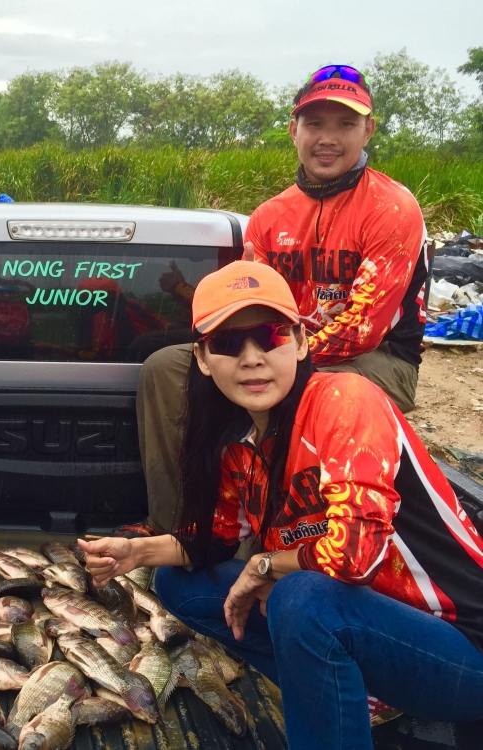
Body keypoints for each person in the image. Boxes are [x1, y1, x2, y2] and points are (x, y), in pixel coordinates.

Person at [79, 260, 483, 750]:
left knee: (301, 598)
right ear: (203, 359)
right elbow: (220, 539)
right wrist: (136, 554)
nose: (251, 358)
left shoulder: (346, 400)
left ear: (300, 341)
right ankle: (346, 693)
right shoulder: (236, 437)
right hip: (365, 626)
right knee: (178, 582)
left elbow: (354, 556)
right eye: (227, 343)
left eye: (269, 335)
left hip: (461, 648)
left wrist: (265, 566)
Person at [135, 64, 430, 533]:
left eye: (345, 124)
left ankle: (274, 545)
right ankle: (176, 528)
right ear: (295, 130)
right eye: (315, 124)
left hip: (377, 360)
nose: (327, 138)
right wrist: (236, 347)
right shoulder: (270, 215)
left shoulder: (392, 208)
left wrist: (274, 359)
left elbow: (362, 328)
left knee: (287, 394)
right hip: (283, 344)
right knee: (166, 368)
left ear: (368, 129)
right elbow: (248, 307)